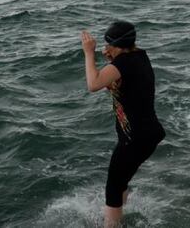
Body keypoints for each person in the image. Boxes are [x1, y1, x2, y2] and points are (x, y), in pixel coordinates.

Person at [81, 21, 166, 228]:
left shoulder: (123, 65)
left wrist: (89, 53)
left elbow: (93, 85)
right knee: (120, 180)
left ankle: (111, 224)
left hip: (136, 138)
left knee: (113, 187)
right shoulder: (139, 58)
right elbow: (116, 87)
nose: (105, 48)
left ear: (116, 45)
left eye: (107, 44)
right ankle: (118, 214)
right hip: (147, 133)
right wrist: (112, 60)